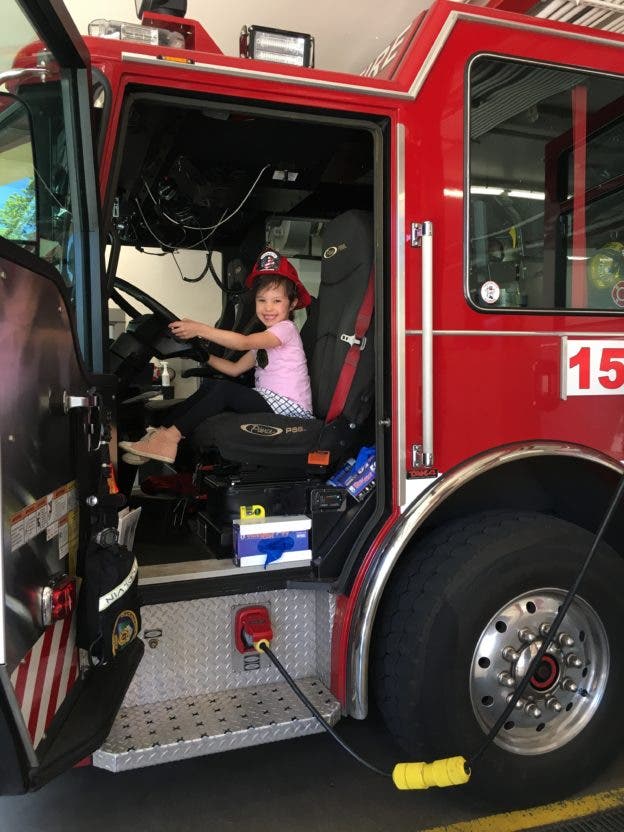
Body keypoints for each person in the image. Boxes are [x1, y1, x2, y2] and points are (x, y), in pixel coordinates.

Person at [119, 249, 313, 465]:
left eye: (277, 301)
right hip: (272, 401)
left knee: (223, 391)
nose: (268, 308)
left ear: (293, 304)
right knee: (211, 386)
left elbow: (243, 342)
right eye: (261, 300)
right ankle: (160, 435)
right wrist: (202, 355)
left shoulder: (286, 330)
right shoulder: (265, 340)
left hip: (291, 410)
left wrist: (199, 329)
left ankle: (169, 438)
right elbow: (235, 369)